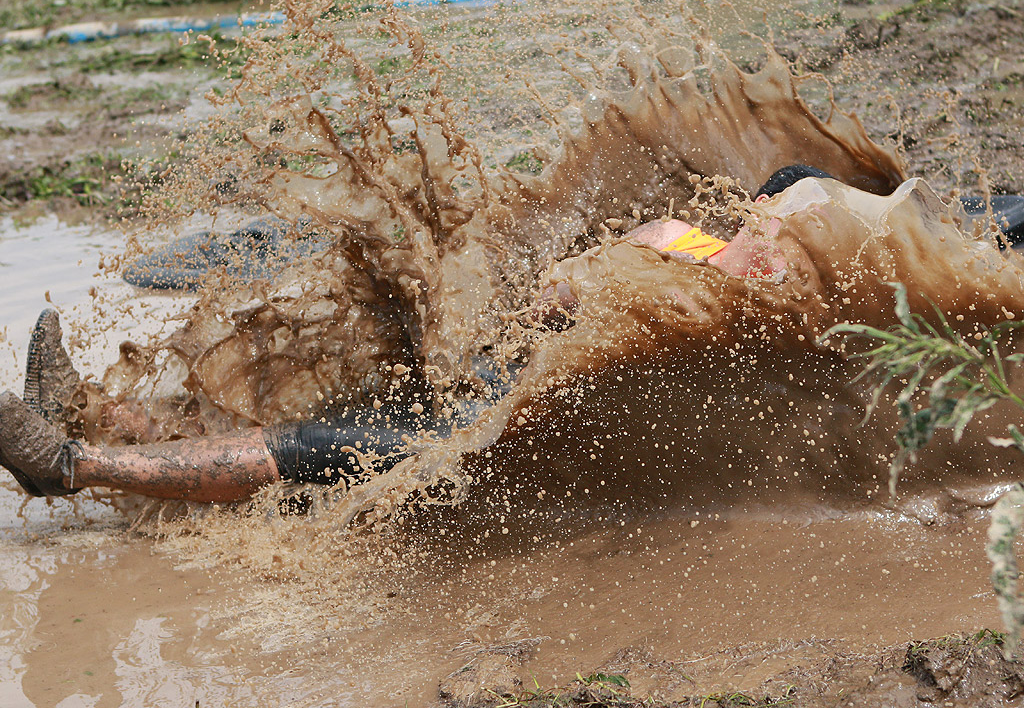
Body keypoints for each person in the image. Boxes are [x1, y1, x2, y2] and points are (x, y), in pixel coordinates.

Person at [0, 165, 829, 503]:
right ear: (759, 208)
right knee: (316, 412)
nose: (794, 243)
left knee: (317, 445)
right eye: (791, 220)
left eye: (812, 231)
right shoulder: (675, 240)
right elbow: (555, 294)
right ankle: (91, 421)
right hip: (506, 383)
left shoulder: (794, 302)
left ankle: (69, 465)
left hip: (536, 427)